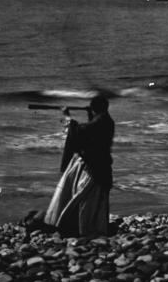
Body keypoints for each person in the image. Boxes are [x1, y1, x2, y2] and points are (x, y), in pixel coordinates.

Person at [39, 94, 115, 238]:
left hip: (94, 168)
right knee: (94, 200)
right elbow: (92, 132)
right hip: (101, 165)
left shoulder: (100, 121)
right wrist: (90, 114)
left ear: (94, 109)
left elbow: (79, 132)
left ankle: (83, 229)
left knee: (83, 198)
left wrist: (67, 116)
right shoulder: (106, 120)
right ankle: (93, 227)